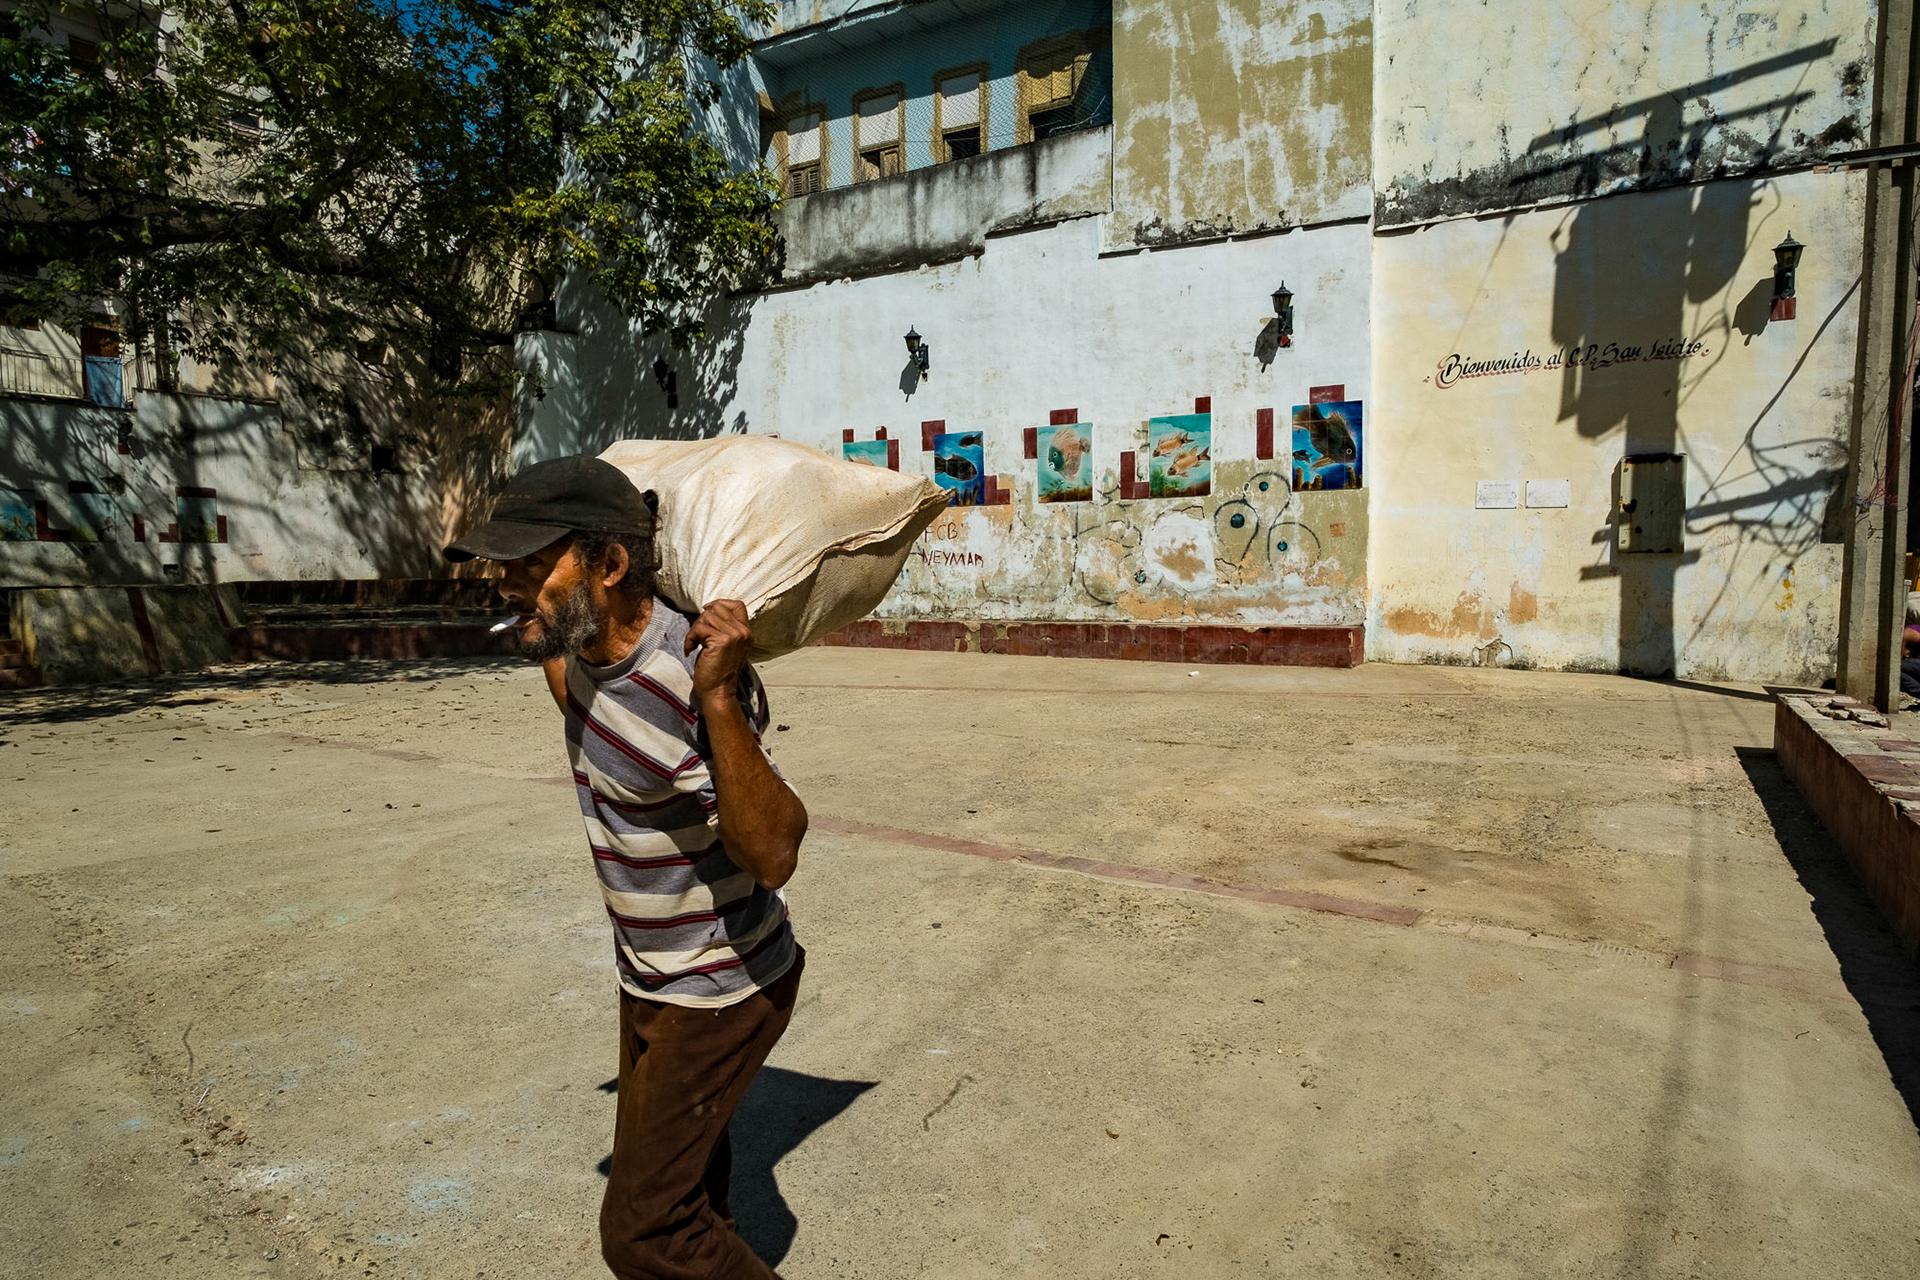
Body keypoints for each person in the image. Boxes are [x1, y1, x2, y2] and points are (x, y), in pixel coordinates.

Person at [446, 455, 807, 1280]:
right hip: (646, 976)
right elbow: (568, 663)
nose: (505, 585)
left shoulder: (692, 678)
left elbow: (775, 854)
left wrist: (719, 698)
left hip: (721, 988)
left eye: (530, 565)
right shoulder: (576, 657)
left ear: (608, 566)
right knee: (696, 1204)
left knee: (647, 1233)